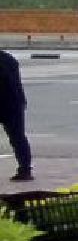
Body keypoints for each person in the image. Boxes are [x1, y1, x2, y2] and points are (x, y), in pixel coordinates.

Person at [0, 48, 28, 181]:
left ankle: (25, 169)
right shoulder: (9, 59)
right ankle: (25, 169)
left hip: (9, 103)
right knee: (18, 138)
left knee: (17, 138)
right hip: (15, 103)